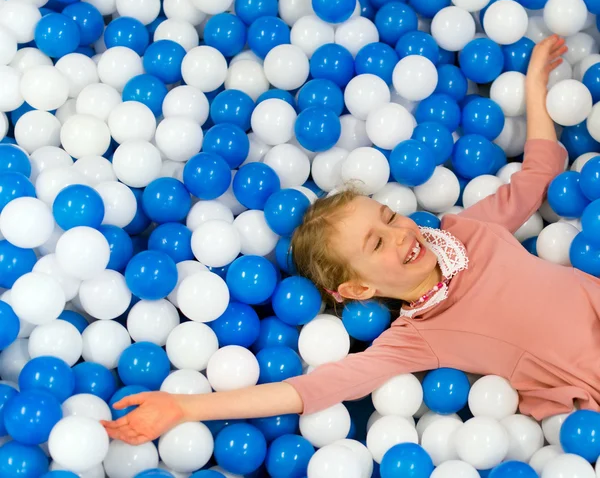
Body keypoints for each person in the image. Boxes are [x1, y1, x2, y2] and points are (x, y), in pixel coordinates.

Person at [102, 35, 600, 447]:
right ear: (360, 290)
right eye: (377, 245)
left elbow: (537, 176)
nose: (400, 234)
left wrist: (536, 87)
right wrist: (184, 406)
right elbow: (311, 389)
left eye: (388, 217)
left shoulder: (468, 229)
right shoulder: (418, 338)